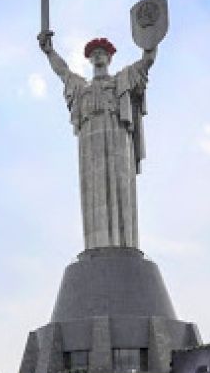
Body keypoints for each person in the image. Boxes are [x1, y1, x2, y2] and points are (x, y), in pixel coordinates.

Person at [37, 31, 156, 249]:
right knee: (94, 193)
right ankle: (97, 246)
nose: (98, 56)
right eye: (94, 54)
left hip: (118, 139)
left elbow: (146, 62)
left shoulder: (122, 79)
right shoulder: (82, 88)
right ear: (90, 59)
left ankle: (124, 245)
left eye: (102, 53)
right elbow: (62, 72)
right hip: (90, 145)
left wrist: (150, 42)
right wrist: (49, 52)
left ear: (109, 58)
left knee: (121, 189)